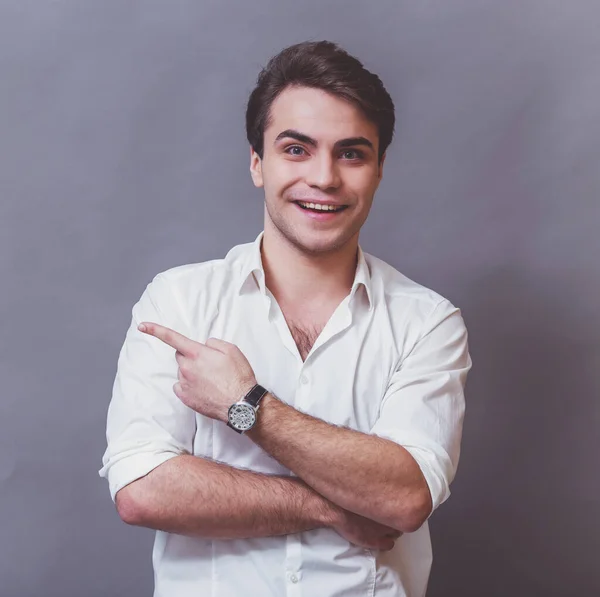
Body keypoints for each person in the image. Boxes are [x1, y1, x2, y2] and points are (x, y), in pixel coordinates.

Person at [99, 39, 472, 597]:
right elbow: (143, 488)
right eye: (296, 149)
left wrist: (245, 404)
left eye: (351, 153)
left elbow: (404, 497)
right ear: (257, 162)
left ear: (379, 169)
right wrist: (331, 506)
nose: (324, 178)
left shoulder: (428, 323)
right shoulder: (178, 300)